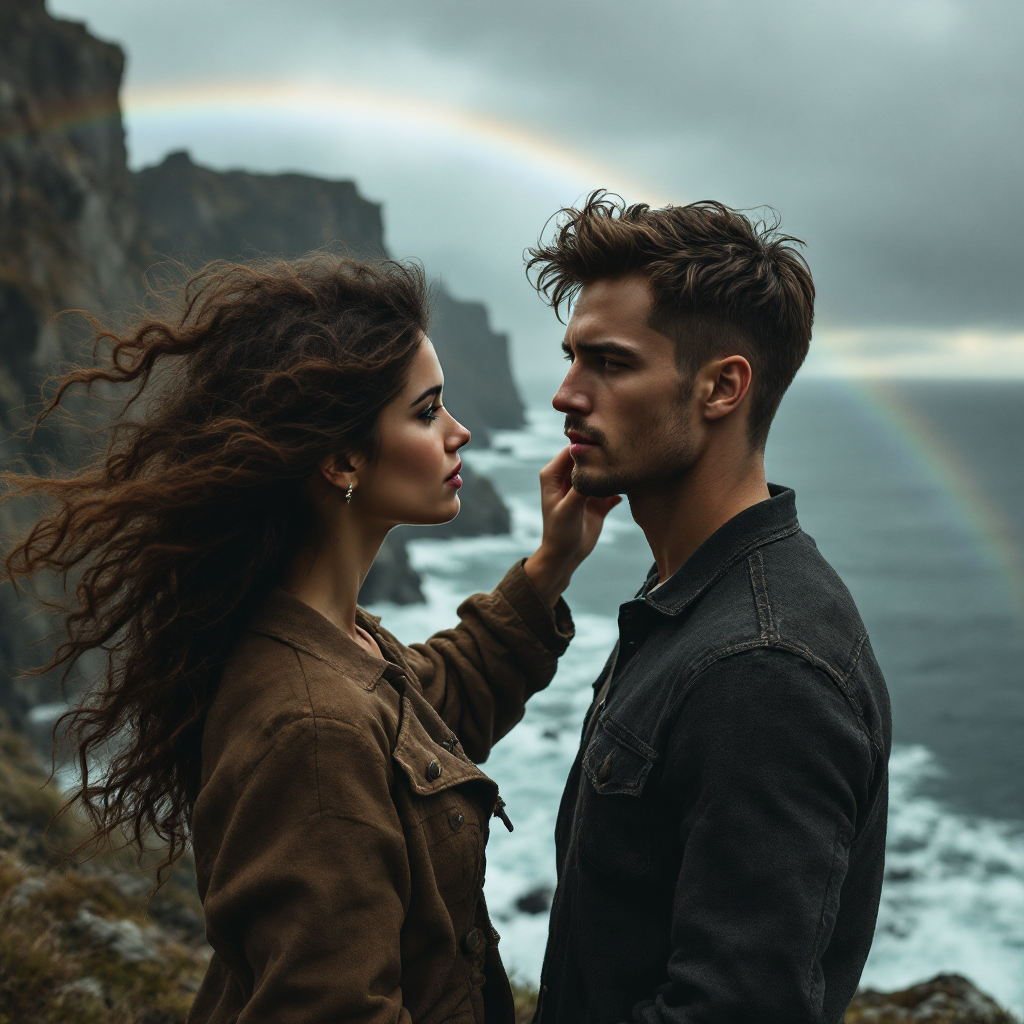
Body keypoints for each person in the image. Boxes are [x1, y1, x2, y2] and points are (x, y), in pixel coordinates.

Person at [3, 256, 619, 1024]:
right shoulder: (315, 726)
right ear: (340, 458)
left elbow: (435, 706)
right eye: (427, 413)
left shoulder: (326, 638)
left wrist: (553, 564)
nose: (461, 433)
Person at [526, 194, 891, 1024]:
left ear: (722, 387)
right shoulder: (688, 596)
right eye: (572, 358)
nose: (564, 396)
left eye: (609, 364)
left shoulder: (762, 669)